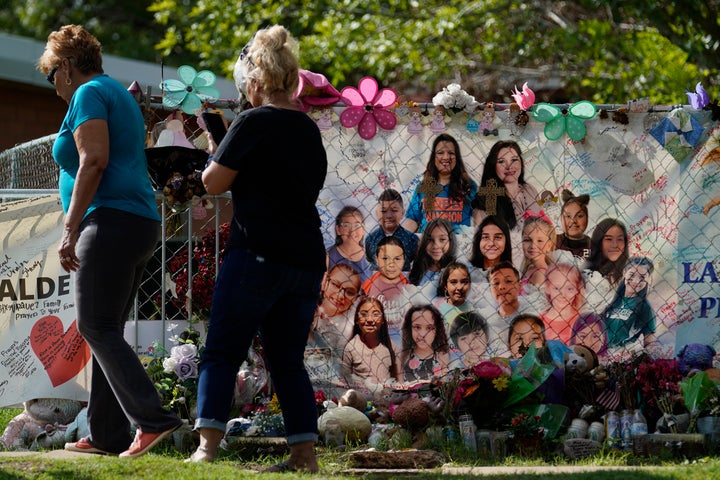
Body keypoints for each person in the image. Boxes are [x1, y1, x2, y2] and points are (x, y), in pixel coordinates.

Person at [38, 25, 183, 458]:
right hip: (133, 222)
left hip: (109, 221)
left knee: (94, 325)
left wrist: (69, 228)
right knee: (106, 327)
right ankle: (107, 436)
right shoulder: (114, 91)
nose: (55, 89)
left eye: (52, 77)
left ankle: (153, 419)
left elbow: (94, 159)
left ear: (66, 67)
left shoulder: (88, 93)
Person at [188, 26, 326, 472]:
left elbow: (213, 182)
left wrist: (217, 148)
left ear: (256, 80)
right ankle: (303, 456)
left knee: (223, 350)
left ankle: (207, 448)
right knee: (288, 360)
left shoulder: (251, 121)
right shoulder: (307, 127)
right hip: (305, 259)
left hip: (257, 255)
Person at [403, 133, 477, 233]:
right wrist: (399, 240)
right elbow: (412, 220)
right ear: (434, 157)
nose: (446, 157)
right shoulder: (423, 187)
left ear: (457, 158)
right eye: (440, 153)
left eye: (451, 153)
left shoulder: (468, 185)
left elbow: (479, 214)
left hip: (458, 242)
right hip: (428, 242)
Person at [472, 140, 539, 231]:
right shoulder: (486, 199)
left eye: (514, 160)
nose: (509, 166)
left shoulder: (530, 189)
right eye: (501, 161)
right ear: (493, 166)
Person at [340, 297, 399, 392]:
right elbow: (344, 380)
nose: (370, 319)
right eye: (364, 314)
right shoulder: (351, 347)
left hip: (387, 400)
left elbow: (398, 378)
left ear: (383, 320)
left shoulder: (391, 346)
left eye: (375, 314)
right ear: (356, 319)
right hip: (362, 402)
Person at [602, 257, 658, 351]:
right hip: (599, 351)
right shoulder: (610, 300)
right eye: (632, 275)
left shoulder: (645, 307)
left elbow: (649, 343)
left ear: (648, 279)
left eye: (642, 277)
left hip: (619, 355)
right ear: (624, 273)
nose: (636, 281)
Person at [481, 261, 535, 357]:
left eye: (508, 281)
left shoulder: (532, 315)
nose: (501, 287)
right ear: (490, 289)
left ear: (519, 286)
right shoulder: (486, 320)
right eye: (496, 283)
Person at [539, 262, 600, 346]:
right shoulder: (537, 323)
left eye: (569, 289)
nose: (562, 294)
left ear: (577, 290)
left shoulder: (583, 322)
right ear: (547, 288)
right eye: (556, 288)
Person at [365, 188, 419, 271]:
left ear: (402, 213)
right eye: (384, 211)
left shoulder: (412, 239)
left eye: (394, 210)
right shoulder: (370, 239)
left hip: (403, 282)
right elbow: (369, 259)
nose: (389, 215)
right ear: (376, 213)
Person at [313, 263, 362, 352]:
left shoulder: (350, 325)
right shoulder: (310, 304)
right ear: (326, 281)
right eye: (335, 285)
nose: (341, 295)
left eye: (350, 292)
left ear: (355, 298)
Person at [399, 304, 451, 383]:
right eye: (417, 327)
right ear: (409, 328)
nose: (422, 334)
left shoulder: (442, 357)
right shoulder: (403, 357)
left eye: (429, 328)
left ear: (437, 330)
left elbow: (444, 386)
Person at [327, 205, 373, 282]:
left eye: (357, 225)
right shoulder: (328, 257)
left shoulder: (372, 258)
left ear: (363, 229)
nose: (352, 231)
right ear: (338, 229)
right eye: (346, 225)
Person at [408, 218, 457, 288]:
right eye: (430, 240)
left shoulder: (455, 271)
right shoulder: (416, 268)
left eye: (442, 239)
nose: (436, 246)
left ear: (451, 241)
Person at [362, 236, 409, 301]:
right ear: (377, 260)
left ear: (404, 260)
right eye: (385, 258)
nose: (391, 264)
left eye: (397, 259)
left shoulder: (409, 286)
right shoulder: (367, 286)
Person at [586, 218, 629, 287]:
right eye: (609, 239)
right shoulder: (586, 275)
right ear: (598, 242)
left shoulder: (631, 271)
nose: (615, 245)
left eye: (620, 239)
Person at [519, 211, 556, 290]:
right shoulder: (530, 268)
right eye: (527, 240)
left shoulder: (540, 274)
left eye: (540, 241)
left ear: (549, 245)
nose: (533, 246)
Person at [556, 190, 591, 259]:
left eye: (579, 216)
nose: (573, 221)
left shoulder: (595, 247)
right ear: (561, 218)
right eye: (568, 216)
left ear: (587, 218)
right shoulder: (552, 242)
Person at [436, 261, 473, 328]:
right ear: (445, 286)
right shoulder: (437, 308)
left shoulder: (472, 309)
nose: (459, 287)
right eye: (453, 282)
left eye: (464, 282)